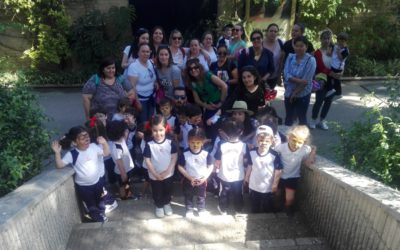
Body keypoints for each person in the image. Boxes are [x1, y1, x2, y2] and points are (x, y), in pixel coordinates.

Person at [51, 126, 110, 222]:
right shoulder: (72, 154)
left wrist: (104, 143)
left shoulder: (93, 147)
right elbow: (60, 165)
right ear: (75, 142)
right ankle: (98, 218)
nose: (87, 139)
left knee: (100, 201)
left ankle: (101, 213)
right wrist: (57, 153)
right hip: (84, 187)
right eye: (82, 138)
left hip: (98, 182)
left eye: (87, 136)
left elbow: (106, 153)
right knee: (90, 204)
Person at [274, 125, 316, 216]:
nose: (296, 144)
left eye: (300, 142)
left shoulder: (304, 149)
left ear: (304, 142)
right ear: (288, 137)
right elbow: (272, 152)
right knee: (277, 194)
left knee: (290, 198)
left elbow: (312, 149)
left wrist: (312, 154)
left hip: (293, 177)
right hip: (280, 176)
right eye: (294, 140)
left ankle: (287, 208)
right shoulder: (282, 147)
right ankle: (276, 207)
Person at [143, 115, 178, 218]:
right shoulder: (149, 145)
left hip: (168, 174)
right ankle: (159, 206)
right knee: (157, 191)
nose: (158, 133)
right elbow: (147, 161)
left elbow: (174, 158)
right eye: (155, 130)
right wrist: (155, 174)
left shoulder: (170, 143)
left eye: (161, 130)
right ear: (151, 130)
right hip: (155, 175)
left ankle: (166, 204)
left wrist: (167, 171)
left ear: (166, 128)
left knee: (168, 190)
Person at [214, 118, 249, 215]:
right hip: (239, 175)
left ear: (225, 132)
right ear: (241, 132)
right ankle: (238, 208)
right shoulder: (244, 146)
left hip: (224, 174)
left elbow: (217, 160)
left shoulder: (221, 144)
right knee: (238, 192)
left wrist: (215, 169)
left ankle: (223, 208)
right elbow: (246, 160)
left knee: (224, 192)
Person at [244, 125, 282, 213]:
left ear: (272, 141)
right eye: (261, 140)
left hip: (267, 186)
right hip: (254, 184)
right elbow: (250, 165)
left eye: (267, 141)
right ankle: (255, 214)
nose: (263, 143)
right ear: (257, 140)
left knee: (267, 205)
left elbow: (278, 170)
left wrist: (275, 184)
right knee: (254, 203)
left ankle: (266, 216)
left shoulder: (274, 155)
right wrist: (246, 177)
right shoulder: (252, 152)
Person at [310, 29, 342, 130]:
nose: (326, 40)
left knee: (328, 101)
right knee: (319, 100)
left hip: (332, 80)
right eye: (324, 38)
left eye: (328, 38)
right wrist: (331, 73)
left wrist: (340, 72)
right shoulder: (317, 53)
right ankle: (313, 119)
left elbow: (340, 63)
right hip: (321, 79)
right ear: (321, 40)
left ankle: (322, 120)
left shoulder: (335, 51)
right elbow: (319, 67)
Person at [178, 127, 213, 218]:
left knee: (201, 196)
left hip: (201, 180)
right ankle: (189, 210)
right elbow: (180, 166)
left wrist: (204, 178)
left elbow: (211, 166)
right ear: (188, 141)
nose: (195, 145)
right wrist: (189, 177)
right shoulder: (185, 153)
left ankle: (201, 209)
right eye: (192, 142)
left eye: (198, 143)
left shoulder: (206, 154)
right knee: (188, 195)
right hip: (188, 179)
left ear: (202, 142)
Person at [283, 36, 316, 126]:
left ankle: (302, 137)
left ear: (306, 47)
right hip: (289, 91)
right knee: (289, 118)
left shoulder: (311, 60)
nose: (299, 48)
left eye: (301, 46)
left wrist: (295, 92)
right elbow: (286, 74)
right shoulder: (290, 57)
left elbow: (306, 81)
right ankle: (287, 138)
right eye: (297, 46)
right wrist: (298, 80)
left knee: (301, 118)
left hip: (303, 93)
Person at [127, 43, 157, 124]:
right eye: (143, 51)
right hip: (141, 100)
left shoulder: (151, 63)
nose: (145, 54)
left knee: (152, 123)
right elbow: (132, 86)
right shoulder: (133, 66)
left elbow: (153, 77)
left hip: (151, 98)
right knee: (143, 124)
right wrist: (137, 102)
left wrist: (155, 83)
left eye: (147, 51)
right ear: (138, 52)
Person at [107, 120, 137, 200]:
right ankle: (124, 196)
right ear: (121, 133)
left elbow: (127, 132)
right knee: (123, 184)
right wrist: (124, 175)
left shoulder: (121, 140)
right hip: (122, 171)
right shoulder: (117, 148)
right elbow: (120, 164)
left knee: (124, 184)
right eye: (124, 130)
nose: (126, 131)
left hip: (126, 169)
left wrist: (127, 124)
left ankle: (125, 194)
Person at [262, 23, 284, 89]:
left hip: (274, 76)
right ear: (267, 32)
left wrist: (279, 76)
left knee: (269, 97)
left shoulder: (281, 43)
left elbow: (281, 61)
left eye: (275, 31)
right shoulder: (260, 43)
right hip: (261, 76)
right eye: (271, 31)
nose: (273, 33)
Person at [328, 32, 349, 97]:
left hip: (338, 68)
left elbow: (341, 59)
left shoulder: (346, 50)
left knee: (337, 81)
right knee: (329, 79)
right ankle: (330, 90)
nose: (341, 43)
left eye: (343, 41)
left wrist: (338, 51)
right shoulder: (335, 46)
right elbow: (330, 54)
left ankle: (338, 93)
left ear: (346, 41)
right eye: (339, 40)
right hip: (332, 65)